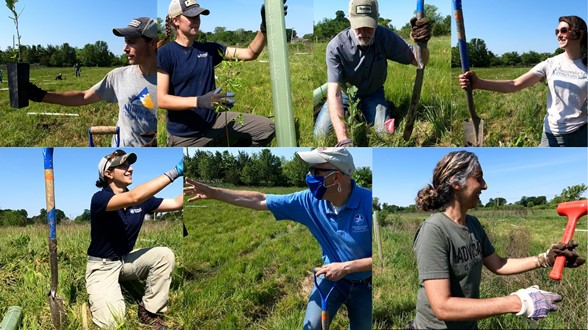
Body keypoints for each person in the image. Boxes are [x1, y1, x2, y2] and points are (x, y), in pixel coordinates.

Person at [184, 147, 372, 329]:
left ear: (336, 177)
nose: (309, 176)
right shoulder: (308, 202)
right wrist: (214, 192)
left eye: (316, 171)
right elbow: (259, 200)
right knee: (312, 326)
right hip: (330, 276)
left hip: (365, 283)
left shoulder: (368, 202)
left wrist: (346, 267)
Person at [410, 150, 585, 329]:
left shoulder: (473, 224)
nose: (485, 186)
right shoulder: (434, 231)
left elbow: (498, 264)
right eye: (479, 178)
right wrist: (518, 303)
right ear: (456, 182)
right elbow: (442, 307)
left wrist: (544, 259)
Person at [157, 0, 280, 147]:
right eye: (191, 16)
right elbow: (161, 100)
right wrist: (199, 101)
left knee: (267, 128)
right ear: (176, 20)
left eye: (199, 16)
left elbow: (249, 53)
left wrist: (264, 28)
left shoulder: (209, 49)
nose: (197, 20)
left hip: (214, 122)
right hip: (186, 136)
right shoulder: (165, 54)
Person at [86, 149, 184, 329]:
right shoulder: (100, 199)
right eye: (122, 166)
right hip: (102, 267)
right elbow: (133, 197)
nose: (129, 169)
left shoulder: (142, 201)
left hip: (125, 261)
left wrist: (195, 185)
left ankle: (149, 310)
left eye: (129, 164)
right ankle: (110, 289)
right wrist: (175, 172)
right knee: (113, 322)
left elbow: (177, 203)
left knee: (164, 255)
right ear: (108, 173)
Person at [25, 17, 158, 147]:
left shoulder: (173, 81)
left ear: (152, 43)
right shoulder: (118, 76)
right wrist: (42, 96)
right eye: (125, 42)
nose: (125, 48)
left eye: (132, 42)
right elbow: (83, 97)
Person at [314, 0, 431, 146]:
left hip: (373, 93)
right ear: (349, 20)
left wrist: (421, 45)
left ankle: (383, 107)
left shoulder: (385, 37)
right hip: (345, 94)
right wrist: (343, 139)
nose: (363, 32)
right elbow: (334, 93)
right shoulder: (335, 47)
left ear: (377, 20)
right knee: (320, 134)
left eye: (369, 26)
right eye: (358, 26)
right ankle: (341, 110)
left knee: (385, 136)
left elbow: (419, 61)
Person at [459, 16, 587, 147]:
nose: (559, 35)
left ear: (579, 33)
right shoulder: (550, 64)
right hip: (553, 135)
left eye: (564, 30)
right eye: (557, 32)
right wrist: (479, 83)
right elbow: (514, 84)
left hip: (583, 133)